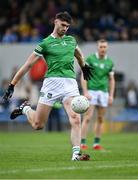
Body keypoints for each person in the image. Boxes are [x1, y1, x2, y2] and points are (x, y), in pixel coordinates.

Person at [3, 12, 92, 161]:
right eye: (63, 25)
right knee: (38, 125)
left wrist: (83, 66)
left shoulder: (71, 40)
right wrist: (12, 84)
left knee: (76, 118)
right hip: (51, 84)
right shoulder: (45, 43)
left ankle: (76, 154)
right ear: (55, 22)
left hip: (70, 84)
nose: (65, 28)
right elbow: (27, 65)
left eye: (68, 26)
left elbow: (78, 54)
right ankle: (25, 109)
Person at [80, 39, 115, 150]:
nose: (103, 49)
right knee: (88, 118)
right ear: (97, 47)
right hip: (92, 91)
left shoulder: (109, 62)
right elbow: (84, 75)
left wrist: (111, 95)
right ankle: (83, 143)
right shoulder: (90, 59)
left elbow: (111, 80)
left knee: (100, 119)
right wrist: (85, 91)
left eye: (104, 47)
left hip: (103, 92)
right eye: (101, 47)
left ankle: (96, 143)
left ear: (107, 48)